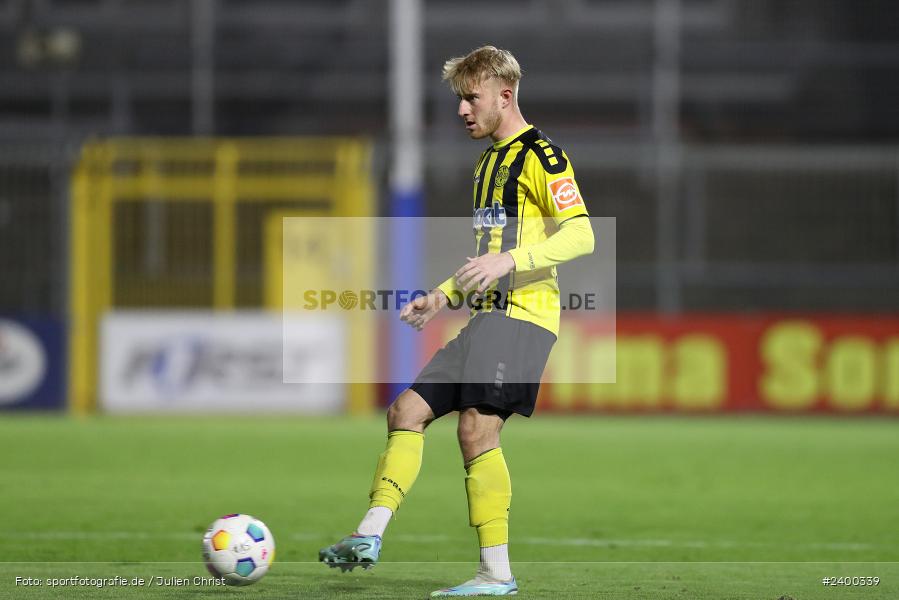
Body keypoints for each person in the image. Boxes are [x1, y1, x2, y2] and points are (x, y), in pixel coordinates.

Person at [319, 45, 595, 597]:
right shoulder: (487, 163)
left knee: (476, 428)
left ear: (505, 95)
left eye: (471, 98)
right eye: (460, 100)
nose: (463, 110)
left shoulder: (544, 157)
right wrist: (440, 297)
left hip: (524, 316)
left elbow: (582, 233)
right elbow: (486, 256)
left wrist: (510, 262)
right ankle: (368, 534)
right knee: (406, 410)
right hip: (486, 318)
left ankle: (496, 574)